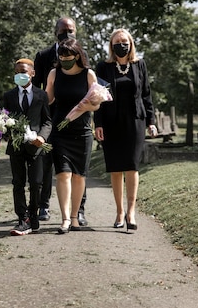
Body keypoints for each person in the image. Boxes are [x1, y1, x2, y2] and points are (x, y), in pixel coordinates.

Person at [94, 28, 157, 232]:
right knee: (115, 167)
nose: (122, 44)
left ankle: (131, 211)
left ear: (131, 44)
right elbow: (97, 97)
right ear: (112, 46)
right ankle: (119, 212)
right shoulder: (103, 67)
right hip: (111, 122)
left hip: (135, 121)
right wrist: (99, 123)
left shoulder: (139, 65)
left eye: (125, 41)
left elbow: (146, 94)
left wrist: (151, 120)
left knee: (131, 166)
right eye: (117, 41)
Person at [33, 16, 89, 226]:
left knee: (78, 172)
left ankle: (79, 210)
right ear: (55, 32)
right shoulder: (44, 56)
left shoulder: (81, 54)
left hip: (78, 119)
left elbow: (89, 87)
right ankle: (43, 205)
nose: (67, 34)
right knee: (48, 165)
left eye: (71, 30)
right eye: (64, 30)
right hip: (51, 120)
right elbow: (38, 90)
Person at [45, 38, 99, 234]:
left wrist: (88, 106)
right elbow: (48, 99)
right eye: (61, 56)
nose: (64, 59)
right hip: (59, 131)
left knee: (78, 176)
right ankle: (65, 218)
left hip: (83, 131)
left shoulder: (88, 74)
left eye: (67, 56)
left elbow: (97, 104)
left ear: (77, 56)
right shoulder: (54, 73)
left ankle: (75, 217)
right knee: (63, 174)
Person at [3, 59, 52, 236]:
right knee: (18, 182)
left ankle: (34, 214)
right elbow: (4, 119)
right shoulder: (9, 96)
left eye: (23, 72)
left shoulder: (41, 95)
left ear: (32, 73)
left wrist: (42, 137)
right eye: (16, 72)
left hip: (36, 147)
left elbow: (47, 120)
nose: (20, 75)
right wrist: (7, 133)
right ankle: (22, 218)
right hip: (16, 147)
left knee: (36, 183)